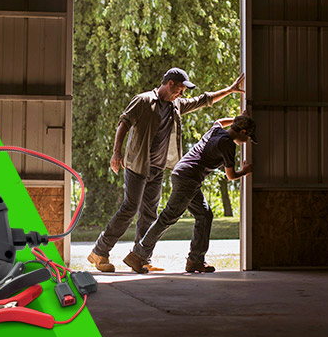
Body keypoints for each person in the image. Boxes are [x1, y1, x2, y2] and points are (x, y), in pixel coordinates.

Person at [87, 68, 245, 272]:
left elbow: (203, 100)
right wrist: (116, 152)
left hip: (157, 168)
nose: (182, 94)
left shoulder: (175, 105)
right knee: (130, 209)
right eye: (180, 89)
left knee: (149, 213)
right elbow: (123, 123)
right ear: (170, 84)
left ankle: (141, 257)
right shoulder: (143, 100)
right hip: (138, 165)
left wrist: (230, 90)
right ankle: (100, 251)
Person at [123, 113, 256, 273]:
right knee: (167, 218)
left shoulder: (217, 131)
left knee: (205, 215)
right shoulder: (227, 143)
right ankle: (137, 255)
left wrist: (235, 119)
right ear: (242, 132)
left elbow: (219, 121)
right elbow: (231, 175)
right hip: (189, 178)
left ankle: (195, 260)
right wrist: (246, 171)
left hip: (183, 173)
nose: (247, 140)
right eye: (248, 136)